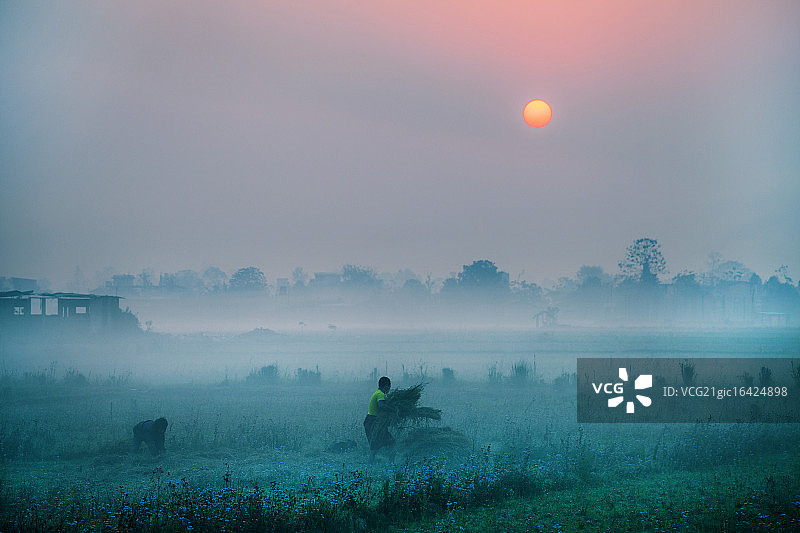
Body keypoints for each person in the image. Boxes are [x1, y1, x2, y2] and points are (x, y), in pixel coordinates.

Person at [363, 376, 395, 462]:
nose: (389, 389)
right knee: (390, 443)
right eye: (389, 386)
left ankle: (371, 466)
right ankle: (391, 465)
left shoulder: (377, 392)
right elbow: (381, 405)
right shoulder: (380, 394)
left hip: (371, 421)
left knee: (375, 447)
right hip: (373, 422)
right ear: (386, 386)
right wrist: (394, 409)